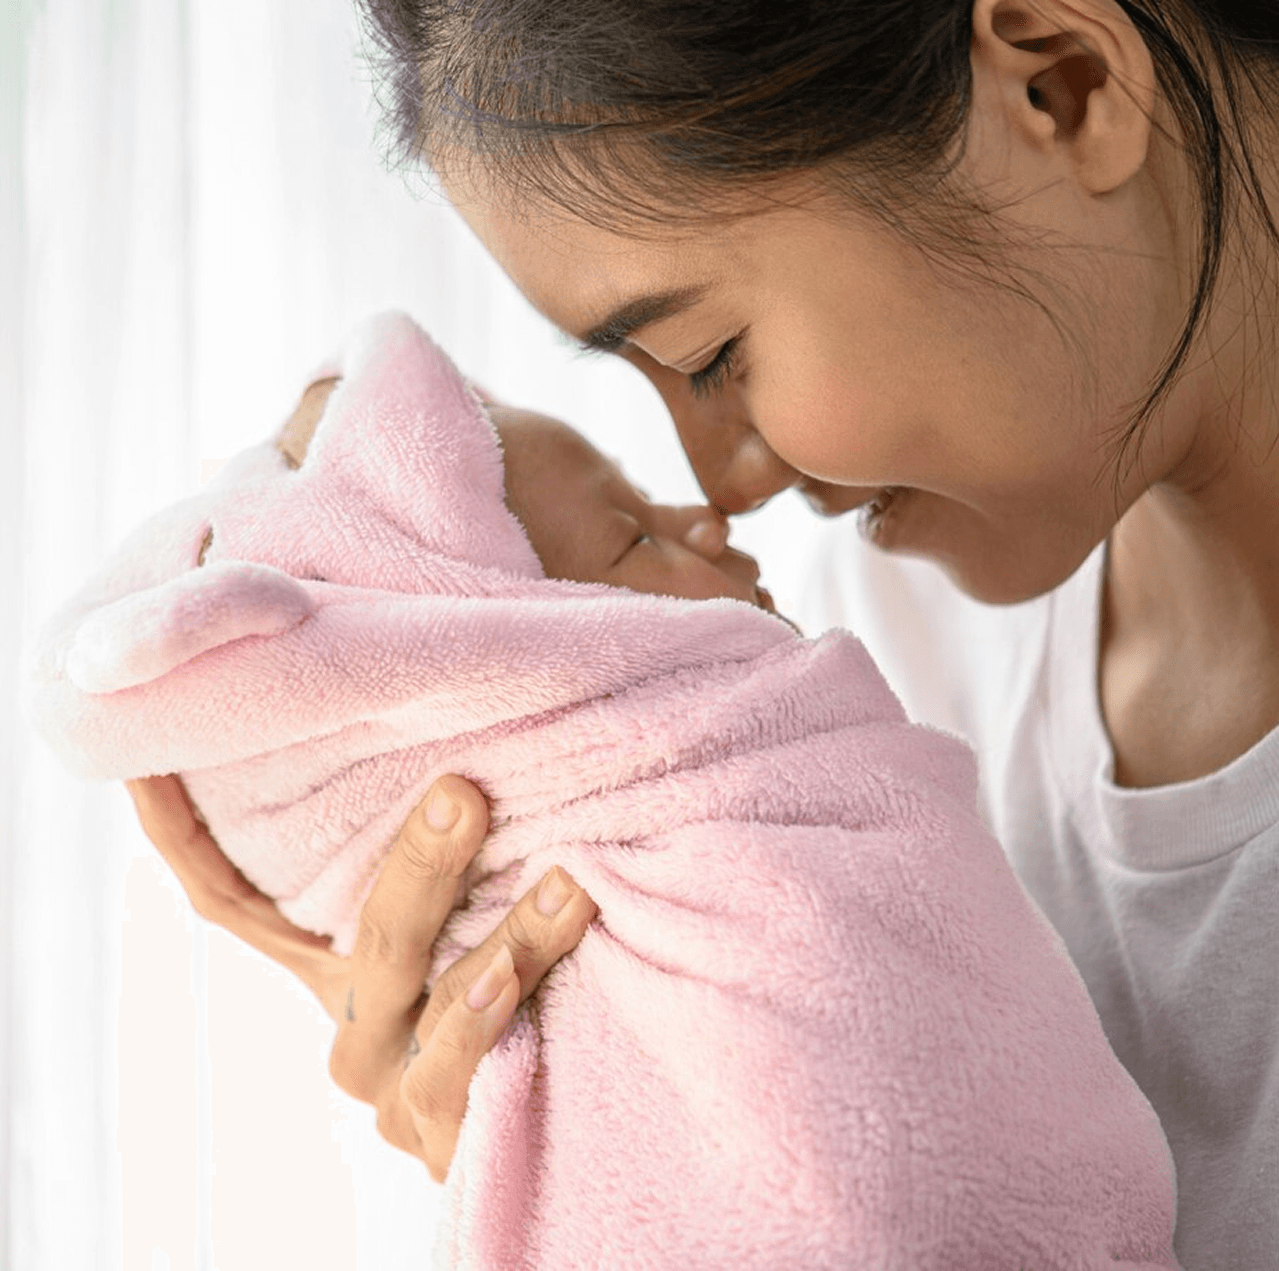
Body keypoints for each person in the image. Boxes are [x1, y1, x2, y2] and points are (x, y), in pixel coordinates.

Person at [127, 0, 1279, 1266]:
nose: (724, 482)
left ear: (1061, 85)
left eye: (713, 354)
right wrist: (590, 1151)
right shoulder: (844, 673)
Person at [41, 311, 1181, 1267]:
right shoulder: (788, 713)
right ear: (546, 691)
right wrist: (511, 1139)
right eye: (635, 536)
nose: (712, 509)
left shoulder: (818, 735)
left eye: (721, 342)